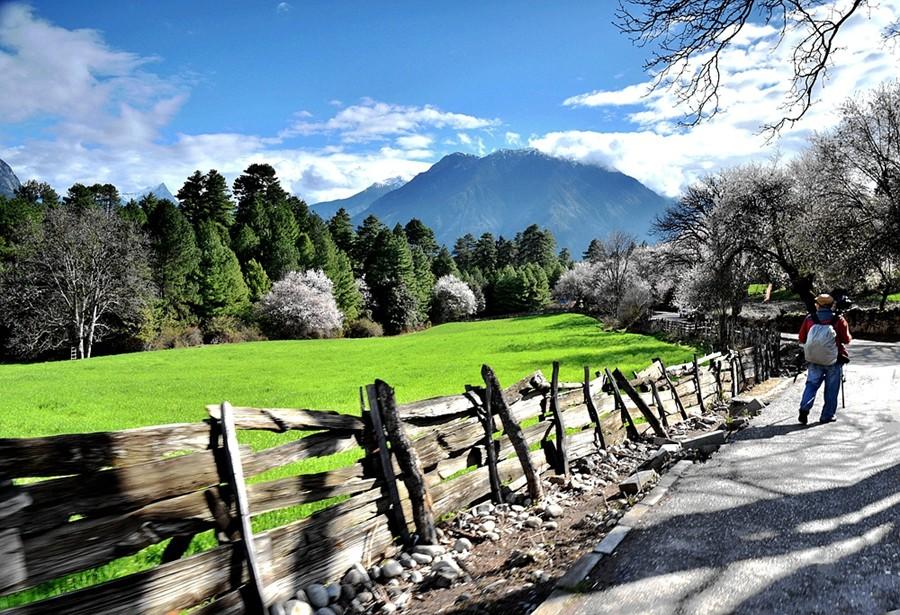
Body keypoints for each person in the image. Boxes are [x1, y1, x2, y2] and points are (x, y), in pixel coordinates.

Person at [797, 293, 852, 424]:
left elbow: (801, 338)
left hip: (814, 359)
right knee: (832, 389)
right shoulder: (838, 319)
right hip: (834, 360)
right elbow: (846, 339)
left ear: (818, 305)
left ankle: (804, 407)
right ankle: (827, 415)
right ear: (831, 305)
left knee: (811, 385)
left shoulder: (810, 318)